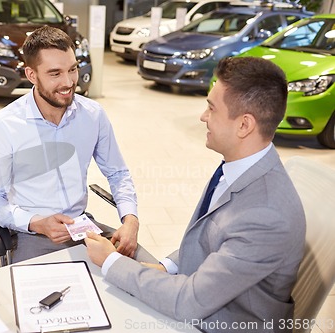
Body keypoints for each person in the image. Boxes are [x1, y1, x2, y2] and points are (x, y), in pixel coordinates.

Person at [85, 57, 306, 332]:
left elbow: (188, 302)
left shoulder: (265, 215)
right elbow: (210, 240)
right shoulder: (240, 166)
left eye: (211, 108)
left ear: (244, 125)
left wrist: (111, 261)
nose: (203, 117)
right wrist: (166, 267)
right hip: (205, 298)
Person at [0, 26, 154, 263]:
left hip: (81, 227)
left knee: (151, 271)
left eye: (72, 69)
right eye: (55, 73)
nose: (68, 81)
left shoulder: (93, 114)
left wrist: (130, 219)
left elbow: (118, 173)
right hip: (33, 234)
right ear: (32, 75)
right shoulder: (6, 124)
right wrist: (37, 223)